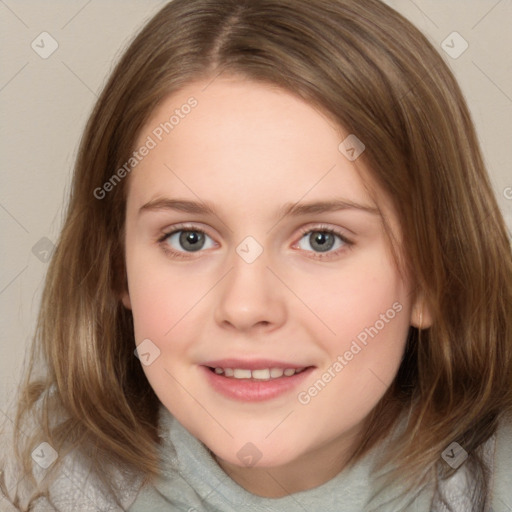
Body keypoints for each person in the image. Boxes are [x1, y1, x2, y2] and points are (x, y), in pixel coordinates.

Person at [1, 0, 511, 510]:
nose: (246, 307)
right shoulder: (47, 482)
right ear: (118, 268)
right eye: (190, 238)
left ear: (433, 275)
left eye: (321, 239)